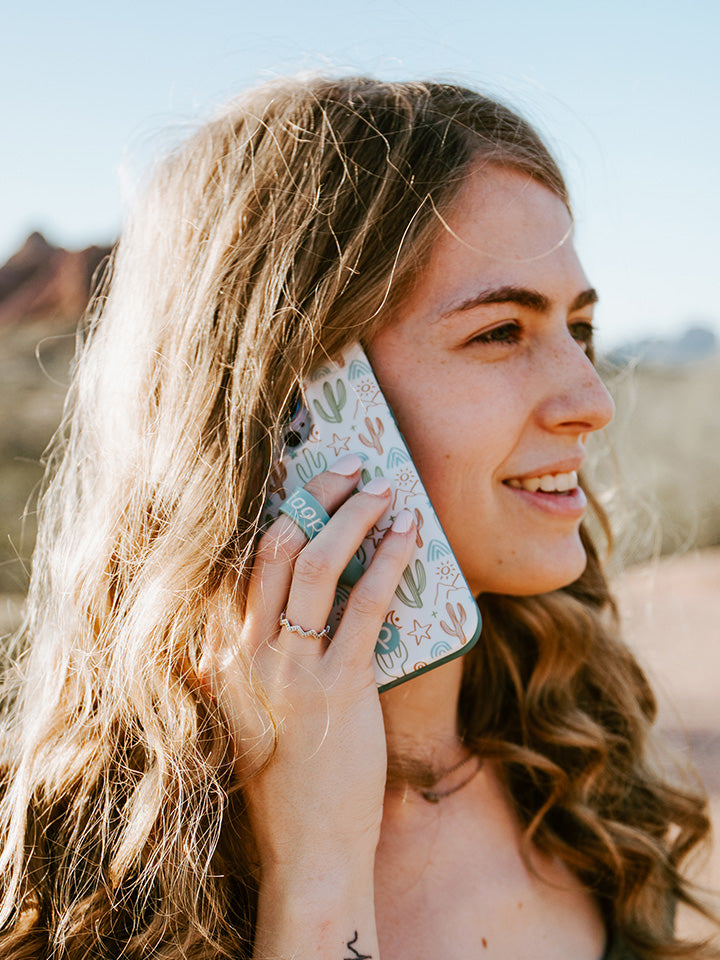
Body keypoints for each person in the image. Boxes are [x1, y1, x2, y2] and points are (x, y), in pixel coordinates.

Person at [0, 76, 716, 960]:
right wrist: (317, 879)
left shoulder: (582, 748)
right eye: (500, 332)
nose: (592, 400)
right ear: (296, 397)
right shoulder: (83, 866)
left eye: (578, 329)